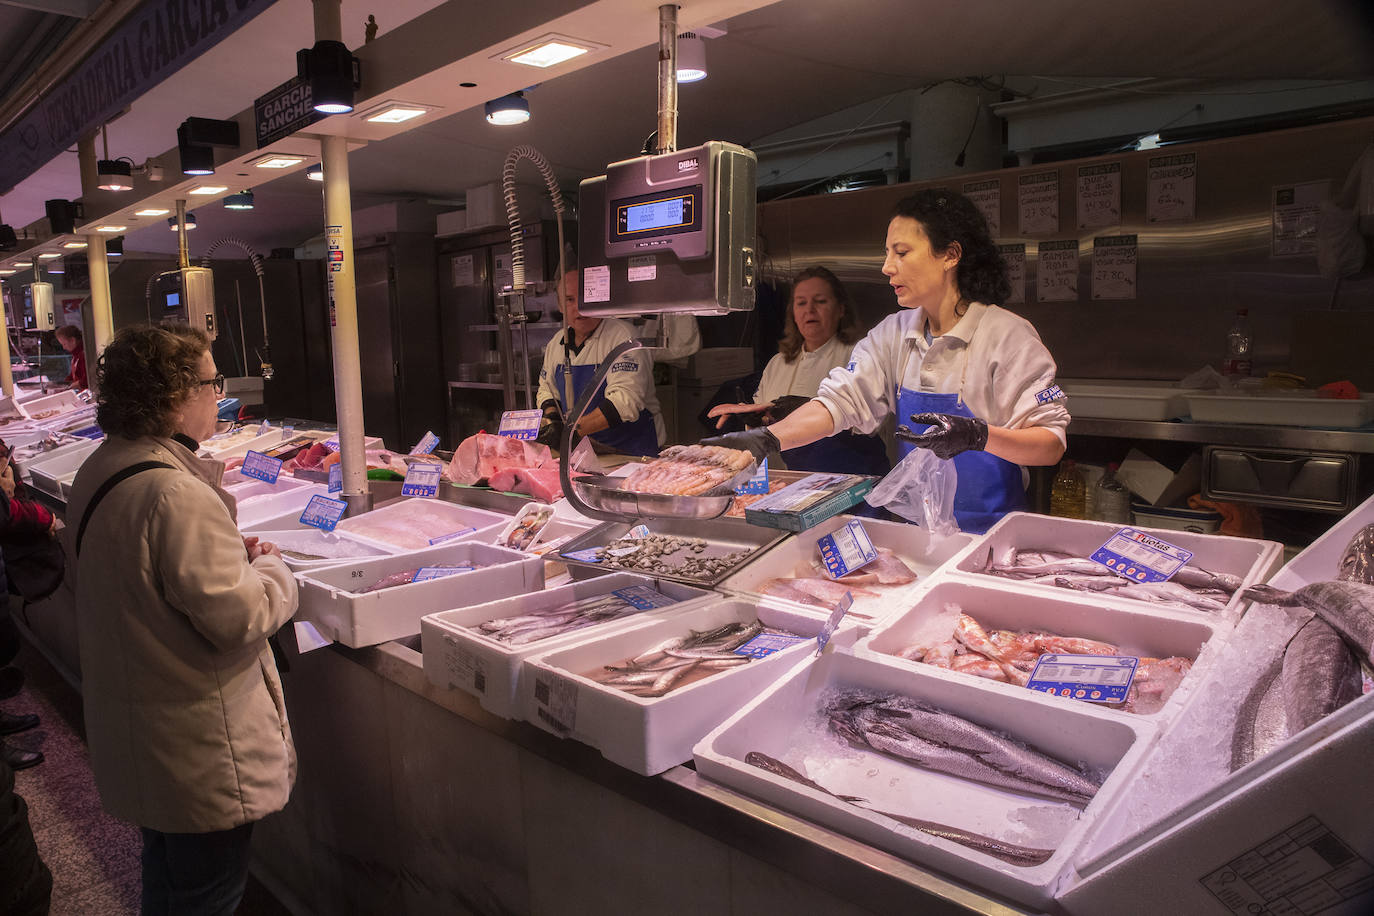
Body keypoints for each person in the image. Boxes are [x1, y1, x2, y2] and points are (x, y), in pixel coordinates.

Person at [66, 325, 299, 915]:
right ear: (174, 396)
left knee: (167, 878)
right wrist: (273, 572)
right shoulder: (174, 494)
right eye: (210, 380)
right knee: (208, 895)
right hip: (197, 753)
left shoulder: (103, 466)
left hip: (143, 735)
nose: (216, 392)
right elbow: (239, 616)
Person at [705, 189, 1069, 533]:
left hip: (990, 534)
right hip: (918, 531)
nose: (887, 267)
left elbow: (1050, 444)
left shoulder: (1007, 336)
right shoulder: (894, 334)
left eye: (902, 252)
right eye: (886, 253)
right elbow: (839, 403)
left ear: (950, 255)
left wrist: (978, 435)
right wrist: (766, 440)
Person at [705, 266, 889, 476]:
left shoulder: (860, 355)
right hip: (801, 479)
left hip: (860, 479)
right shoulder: (777, 363)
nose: (809, 310)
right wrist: (754, 417)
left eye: (820, 301)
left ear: (840, 309)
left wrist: (802, 407)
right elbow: (764, 421)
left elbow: (873, 422)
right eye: (801, 303)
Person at [536, 268, 665, 457]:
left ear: (602, 298)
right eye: (570, 299)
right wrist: (552, 419)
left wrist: (570, 432)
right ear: (560, 305)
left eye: (586, 297)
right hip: (584, 453)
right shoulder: (556, 343)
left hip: (631, 452)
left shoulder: (624, 337)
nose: (579, 307)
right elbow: (546, 388)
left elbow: (625, 401)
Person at [54, 325, 86, 390]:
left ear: (72, 340)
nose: (64, 347)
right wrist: (64, 384)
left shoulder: (84, 355)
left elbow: (88, 379)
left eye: (64, 344)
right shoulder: (76, 355)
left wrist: (73, 385)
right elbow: (74, 375)